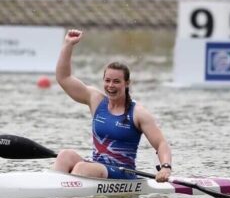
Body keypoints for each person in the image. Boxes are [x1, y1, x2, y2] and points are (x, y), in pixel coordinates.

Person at [53, 29, 172, 182]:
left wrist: (165, 167)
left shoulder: (138, 113)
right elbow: (64, 78)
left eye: (116, 81)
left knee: (82, 168)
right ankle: (55, 196)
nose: (111, 85)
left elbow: (161, 143)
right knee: (65, 155)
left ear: (127, 83)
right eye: (107, 80)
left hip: (122, 173)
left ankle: (71, 197)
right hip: (95, 167)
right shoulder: (95, 100)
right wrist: (68, 45)